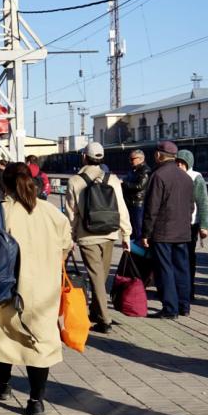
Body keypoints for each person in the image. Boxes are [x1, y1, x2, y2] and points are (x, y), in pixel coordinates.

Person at [0, 162, 73, 415]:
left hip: (6, 287)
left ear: (5, 185)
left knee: (4, 336)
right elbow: (66, 245)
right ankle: (36, 401)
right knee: (40, 343)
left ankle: (3, 383)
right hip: (44, 289)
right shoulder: (51, 211)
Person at [64, 142, 131, 334]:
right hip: (109, 233)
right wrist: (126, 234)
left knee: (96, 277)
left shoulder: (75, 181)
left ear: (84, 157)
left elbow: (72, 214)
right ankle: (96, 312)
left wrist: (70, 238)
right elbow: (121, 208)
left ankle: (104, 319)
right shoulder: (112, 179)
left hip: (87, 235)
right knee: (99, 277)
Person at [141, 141, 194, 318]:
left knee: (165, 270)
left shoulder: (158, 176)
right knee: (182, 269)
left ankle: (170, 309)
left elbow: (151, 208)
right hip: (183, 232)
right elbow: (191, 207)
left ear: (158, 155)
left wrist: (146, 233)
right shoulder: (186, 177)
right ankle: (184, 306)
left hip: (163, 232)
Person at [176, 150, 208, 301]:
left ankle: (189, 290)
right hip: (174, 223)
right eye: (177, 162)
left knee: (188, 257)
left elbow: (203, 202)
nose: (179, 165)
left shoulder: (196, 177)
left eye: (183, 163)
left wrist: (204, 225)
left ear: (189, 163)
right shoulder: (174, 175)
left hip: (191, 224)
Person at [121, 149, 151, 241]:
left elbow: (139, 186)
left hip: (138, 204)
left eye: (132, 159)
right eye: (130, 159)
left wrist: (124, 183)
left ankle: (140, 248)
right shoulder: (133, 170)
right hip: (130, 203)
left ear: (141, 159)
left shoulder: (145, 170)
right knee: (131, 229)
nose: (130, 161)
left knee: (138, 229)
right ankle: (133, 248)